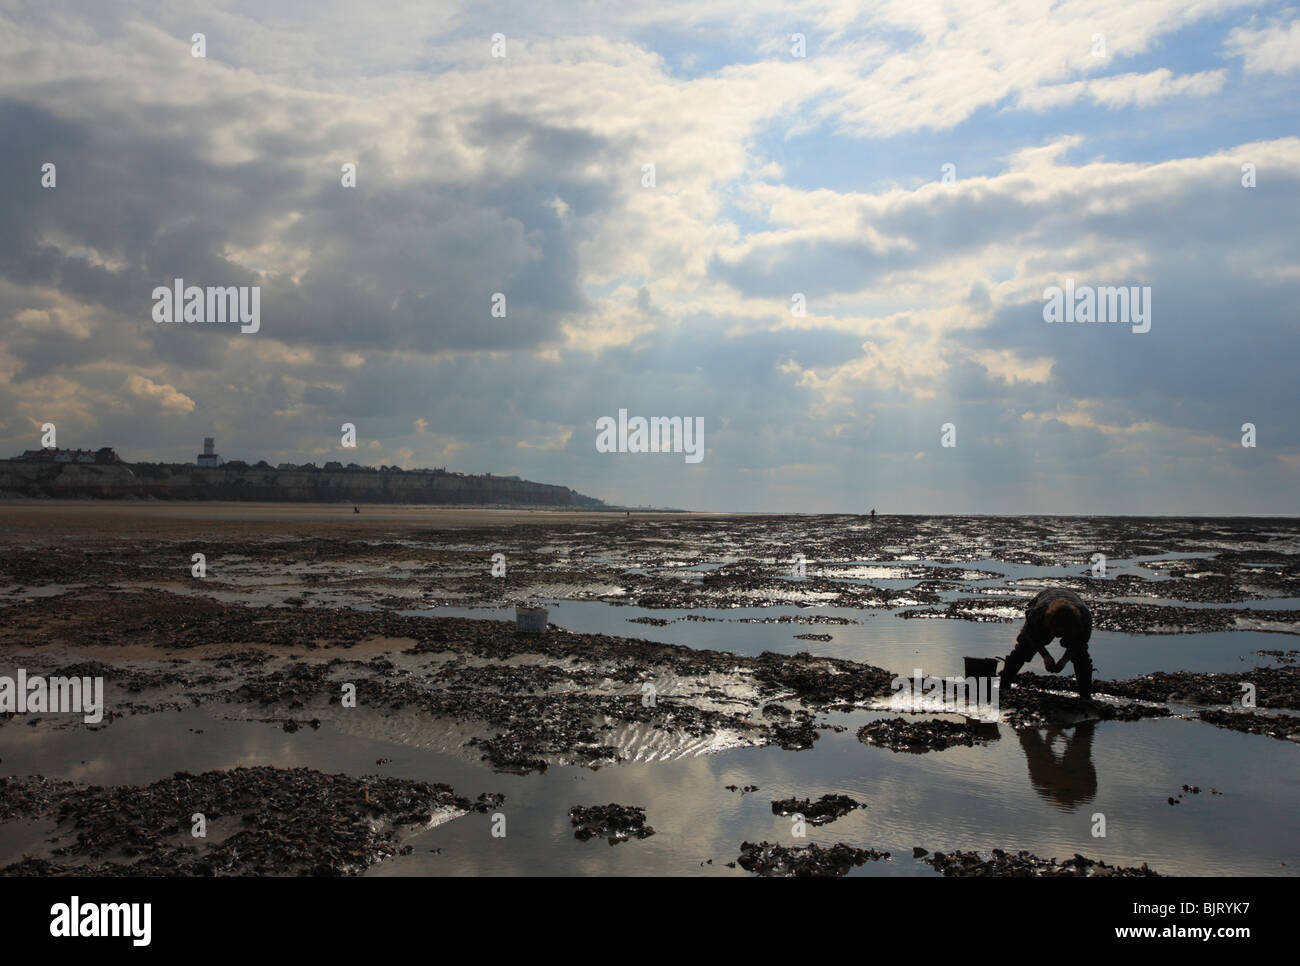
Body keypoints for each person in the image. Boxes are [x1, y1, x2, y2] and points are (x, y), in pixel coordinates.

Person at [1000, 588, 1094, 700]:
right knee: (1024, 648)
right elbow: (1031, 635)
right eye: (1056, 631)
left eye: (1062, 632)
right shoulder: (1037, 614)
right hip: (1045, 597)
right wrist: (1046, 656)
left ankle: (1085, 695)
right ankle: (1004, 685)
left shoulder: (1085, 618)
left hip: (1072, 601)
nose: (1058, 635)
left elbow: (1079, 644)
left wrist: (1064, 660)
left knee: (1080, 654)